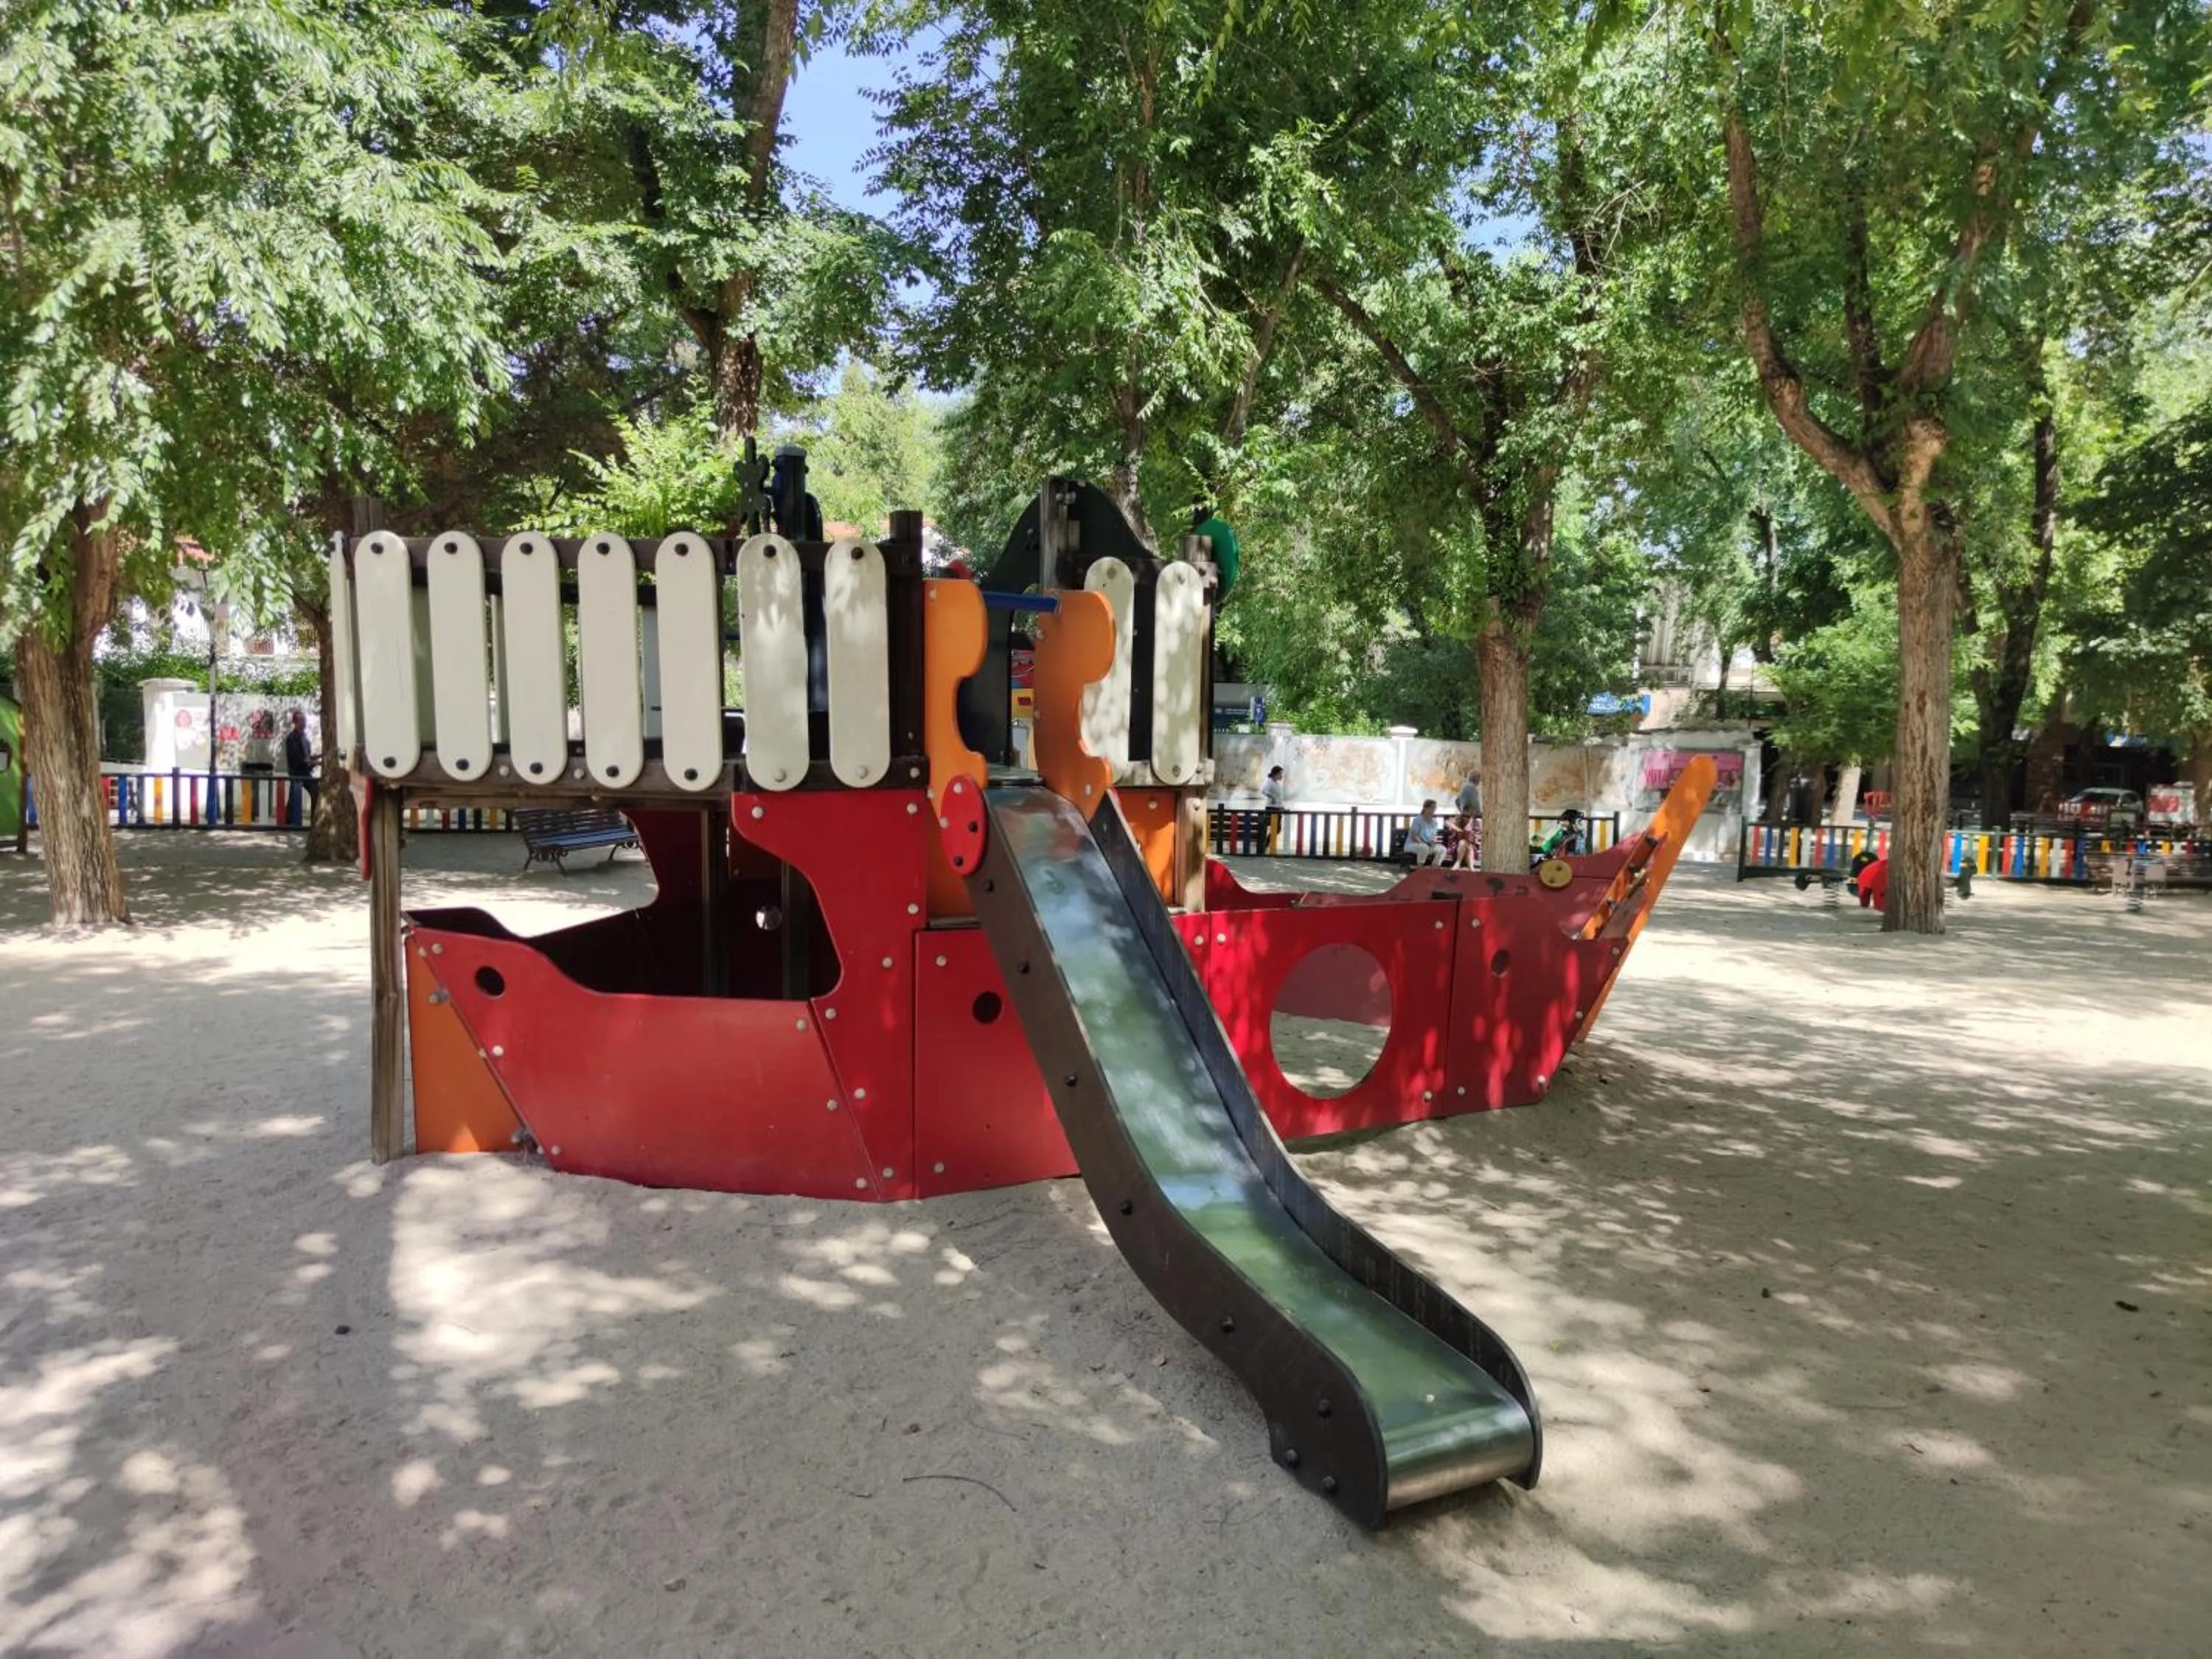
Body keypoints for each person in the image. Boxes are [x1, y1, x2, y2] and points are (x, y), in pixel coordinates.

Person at [282, 711, 317, 828]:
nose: (304, 723)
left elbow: (307, 756)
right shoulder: (292, 738)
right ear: (295, 722)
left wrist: (314, 760)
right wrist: (311, 762)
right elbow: (297, 759)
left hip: (306, 772)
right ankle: (288, 821)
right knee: (294, 796)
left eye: (304, 720)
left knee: (316, 791)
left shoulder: (305, 739)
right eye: (301, 720)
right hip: (296, 773)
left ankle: (314, 820)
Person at [1404, 799, 1449, 866]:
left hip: (1428, 845)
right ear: (1425, 808)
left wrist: (1433, 841)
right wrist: (1424, 843)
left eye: (1435, 808)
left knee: (1443, 849)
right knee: (1424, 847)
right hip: (1414, 844)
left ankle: (1435, 867)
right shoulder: (1417, 820)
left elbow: (1433, 837)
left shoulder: (1434, 822)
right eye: (1432, 807)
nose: (1433, 810)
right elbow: (1414, 836)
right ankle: (1420, 867)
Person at [1261, 765, 1286, 854]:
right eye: (1280, 774)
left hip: (1278, 808)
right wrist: (1272, 797)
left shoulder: (1278, 784)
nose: (1282, 776)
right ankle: (1266, 845)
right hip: (1272, 809)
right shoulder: (1270, 782)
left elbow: (1279, 798)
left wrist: (1282, 807)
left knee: (1277, 829)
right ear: (1276, 774)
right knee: (1276, 828)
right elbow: (1263, 791)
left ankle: (1266, 844)